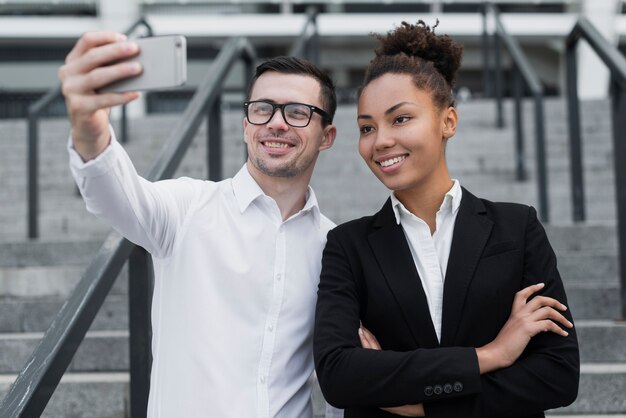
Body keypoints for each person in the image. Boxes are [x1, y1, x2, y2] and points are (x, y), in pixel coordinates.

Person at [59, 31, 341, 417]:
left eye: (297, 112)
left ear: (326, 136)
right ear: (246, 125)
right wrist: (90, 132)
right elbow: (116, 196)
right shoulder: (187, 208)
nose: (276, 123)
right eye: (262, 109)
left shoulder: (334, 245)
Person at [313, 21, 579, 417]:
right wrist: (491, 355)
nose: (380, 140)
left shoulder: (516, 228)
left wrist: (416, 404)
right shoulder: (347, 245)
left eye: (400, 119)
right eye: (367, 127)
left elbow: (556, 375)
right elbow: (340, 375)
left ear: (448, 122)